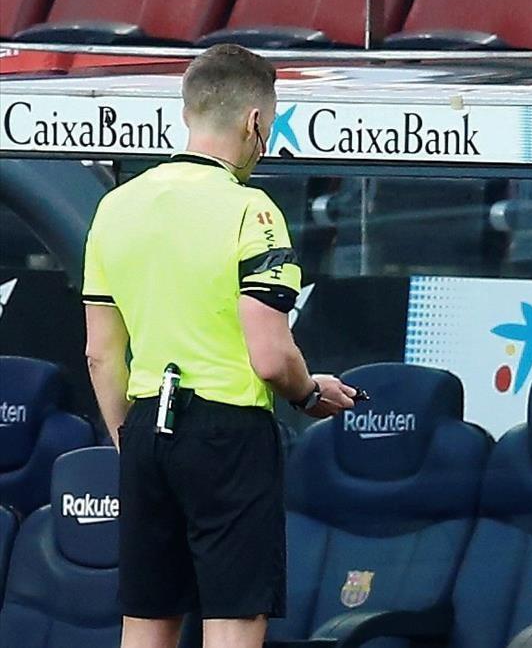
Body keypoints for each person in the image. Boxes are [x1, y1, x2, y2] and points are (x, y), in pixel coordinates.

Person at [84, 44, 357, 648]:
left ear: (188, 111)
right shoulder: (250, 208)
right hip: (227, 433)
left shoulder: (115, 206)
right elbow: (269, 353)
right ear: (255, 121)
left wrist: (131, 440)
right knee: (233, 618)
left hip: (145, 432)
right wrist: (309, 393)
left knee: (147, 621)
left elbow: (101, 354)